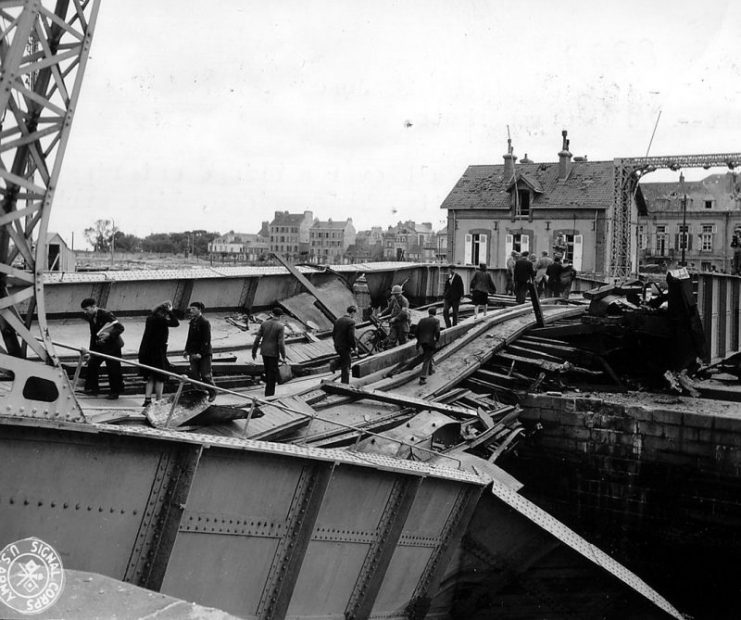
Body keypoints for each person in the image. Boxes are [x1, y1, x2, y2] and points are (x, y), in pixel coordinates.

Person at [81, 298, 125, 399]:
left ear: (93, 307)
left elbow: (120, 327)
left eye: (86, 309)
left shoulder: (106, 314)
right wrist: (91, 352)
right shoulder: (91, 317)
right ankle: (93, 389)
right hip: (99, 346)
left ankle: (115, 392)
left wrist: (109, 335)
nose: (85, 312)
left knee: (113, 369)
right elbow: (93, 335)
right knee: (92, 365)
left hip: (112, 346)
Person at [138, 300, 179, 407]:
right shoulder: (160, 320)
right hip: (158, 351)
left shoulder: (150, 318)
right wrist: (170, 312)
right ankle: (159, 400)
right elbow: (176, 323)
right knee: (160, 377)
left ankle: (147, 399)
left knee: (151, 376)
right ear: (164, 312)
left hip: (147, 351)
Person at [184, 301, 216, 401]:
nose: (191, 310)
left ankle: (212, 392)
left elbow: (206, 340)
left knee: (206, 375)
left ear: (199, 310)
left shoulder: (204, 322)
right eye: (191, 308)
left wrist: (200, 353)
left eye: (193, 308)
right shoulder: (193, 322)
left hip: (204, 353)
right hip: (193, 352)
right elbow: (189, 337)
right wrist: (186, 350)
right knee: (193, 373)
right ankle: (201, 393)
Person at [251, 307, 287, 396]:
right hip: (273, 353)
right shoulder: (280, 326)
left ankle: (268, 390)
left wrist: (254, 351)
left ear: (272, 314)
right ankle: (269, 394)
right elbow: (281, 343)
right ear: (280, 316)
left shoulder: (264, 323)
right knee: (272, 373)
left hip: (264, 351)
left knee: (267, 371)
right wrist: (283, 356)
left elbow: (257, 338)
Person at [332, 305, 357, 384]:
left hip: (337, 345)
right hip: (345, 346)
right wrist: (354, 347)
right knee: (347, 364)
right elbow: (351, 336)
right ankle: (345, 383)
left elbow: (333, 334)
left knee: (344, 359)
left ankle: (334, 364)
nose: (354, 316)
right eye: (354, 313)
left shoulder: (338, 320)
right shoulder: (351, 322)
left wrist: (336, 343)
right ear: (352, 313)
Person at [416, 307, 440, 384]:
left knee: (428, 355)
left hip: (422, 342)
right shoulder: (436, 321)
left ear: (428, 312)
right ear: (435, 313)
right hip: (430, 342)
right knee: (427, 358)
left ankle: (430, 370)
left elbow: (416, 331)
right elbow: (437, 332)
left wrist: (419, 340)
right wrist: (437, 340)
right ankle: (422, 378)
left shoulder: (422, 320)